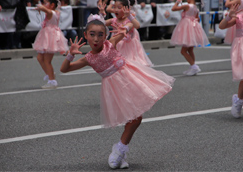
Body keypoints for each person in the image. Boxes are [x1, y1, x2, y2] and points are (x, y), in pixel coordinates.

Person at [60, 14, 174, 169]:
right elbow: (64, 69)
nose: (96, 39)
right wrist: (70, 54)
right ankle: (120, 150)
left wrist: (126, 25)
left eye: (100, 35)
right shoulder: (88, 58)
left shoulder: (110, 43)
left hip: (130, 78)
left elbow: (129, 28)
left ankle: (120, 150)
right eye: (92, 35)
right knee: (134, 118)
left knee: (136, 117)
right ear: (85, 35)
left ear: (106, 36)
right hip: (114, 88)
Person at [99, 0, 154, 66]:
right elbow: (101, 24)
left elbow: (137, 25)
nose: (115, 10)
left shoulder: (129, 20)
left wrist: (129, 16)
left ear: (126, 9)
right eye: (114, 7)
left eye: (119, 8)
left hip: (128, 48)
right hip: (116, 45)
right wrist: (101, 14)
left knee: (129, 66)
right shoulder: (114, 20)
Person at [33, 0, 69, 89]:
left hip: (51, 37)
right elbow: (45, 10)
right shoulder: (52, 12)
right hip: (47, 36)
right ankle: (50, 74)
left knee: (47, 60)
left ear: (52, 5)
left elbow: (46, 10)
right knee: (40, 58)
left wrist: (41, 7)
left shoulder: (52, 12)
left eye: (46, 3)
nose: (44, 5)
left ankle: (52, 81)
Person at [170, 0, 210, 76]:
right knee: (190, 49)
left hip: (187, 28)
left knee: (183, 51)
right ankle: (192, 67)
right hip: (193, 28)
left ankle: (194, 66)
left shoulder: (188, 6)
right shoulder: (196, 7)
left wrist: (179, 0)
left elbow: (173, 8)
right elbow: (197, 18)